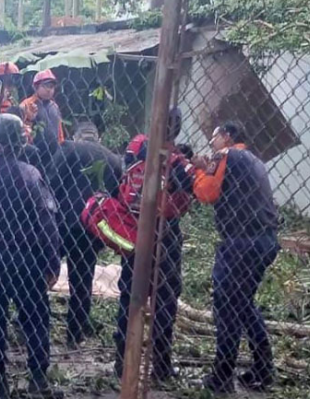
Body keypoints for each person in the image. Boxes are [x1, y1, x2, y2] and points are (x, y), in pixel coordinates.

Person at [0, 114, 63, 399]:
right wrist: (52, 262)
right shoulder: (30, 174)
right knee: (34, 317)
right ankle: (37, 378)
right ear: (20, 143)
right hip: (26, 258)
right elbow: (47, 222)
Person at [191, 122, 280, 393]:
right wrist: (206, 168)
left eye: (215, 137)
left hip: (241, 242)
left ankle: (222, 376)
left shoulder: (226, 155)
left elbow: (206, 193)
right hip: (265, 240)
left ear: (228, 137)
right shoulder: (252, 159)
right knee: (242, 304)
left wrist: (194, 170)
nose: (212, 142)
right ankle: (263, 368)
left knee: (227, 306)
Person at [113, 108, 195, 382]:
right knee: (165, 298)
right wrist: (187, 161)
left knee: (129, 295)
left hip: (134, 225)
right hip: (166, 229)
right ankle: (160, 367)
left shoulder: (136, 147)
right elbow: (189, 189)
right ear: (176, 128)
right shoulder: (177, 161)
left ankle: (122, 363)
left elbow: (123, 174)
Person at [48, 121, 122, 347]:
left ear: (78, 136)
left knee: (44, 271)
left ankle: (31, 321)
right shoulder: (113, 159)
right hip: (91, 227)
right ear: (97, 138)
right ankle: (75, 333)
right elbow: (118, 196)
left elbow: (51, 181)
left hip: (62, 222)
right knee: (82, 280)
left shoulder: (69, 148)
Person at [20, 69, 65, 171]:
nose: (49, 90)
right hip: (35, 152)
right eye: (45, 86)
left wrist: (61, 145)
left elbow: (59, 130)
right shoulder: (27, 104)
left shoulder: (54, 106)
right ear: (36, 87)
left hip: (54, 152)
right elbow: (21, 129)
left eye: (52, 87)